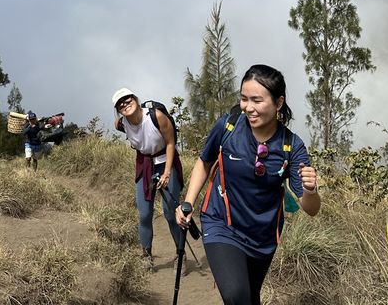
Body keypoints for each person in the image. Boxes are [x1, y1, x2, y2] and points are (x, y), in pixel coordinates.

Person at [175, 64, 320, 305]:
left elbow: (311, 208)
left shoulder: (291, 146)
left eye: (257, 100)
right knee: (236, 295)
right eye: (244, 99)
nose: (248, 108)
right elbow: (204, 162)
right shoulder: (229, 126)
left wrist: (310, 189)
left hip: (263, 237)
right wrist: (188, 202)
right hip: (221, 222)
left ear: (278, 103)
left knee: (249, 297)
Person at [112, 87, 184, 270]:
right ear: (118, 110)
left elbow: (170, 142)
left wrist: (167, 172)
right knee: (144, 214)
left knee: (170, 213)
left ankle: (180, 254)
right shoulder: (122, 124)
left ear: (135, 99)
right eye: (120, 104)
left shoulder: (156, 116)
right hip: (144, 164)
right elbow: (119, 126)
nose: (125, 104)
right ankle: (146, 256)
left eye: (127, 100)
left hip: (165, 161)